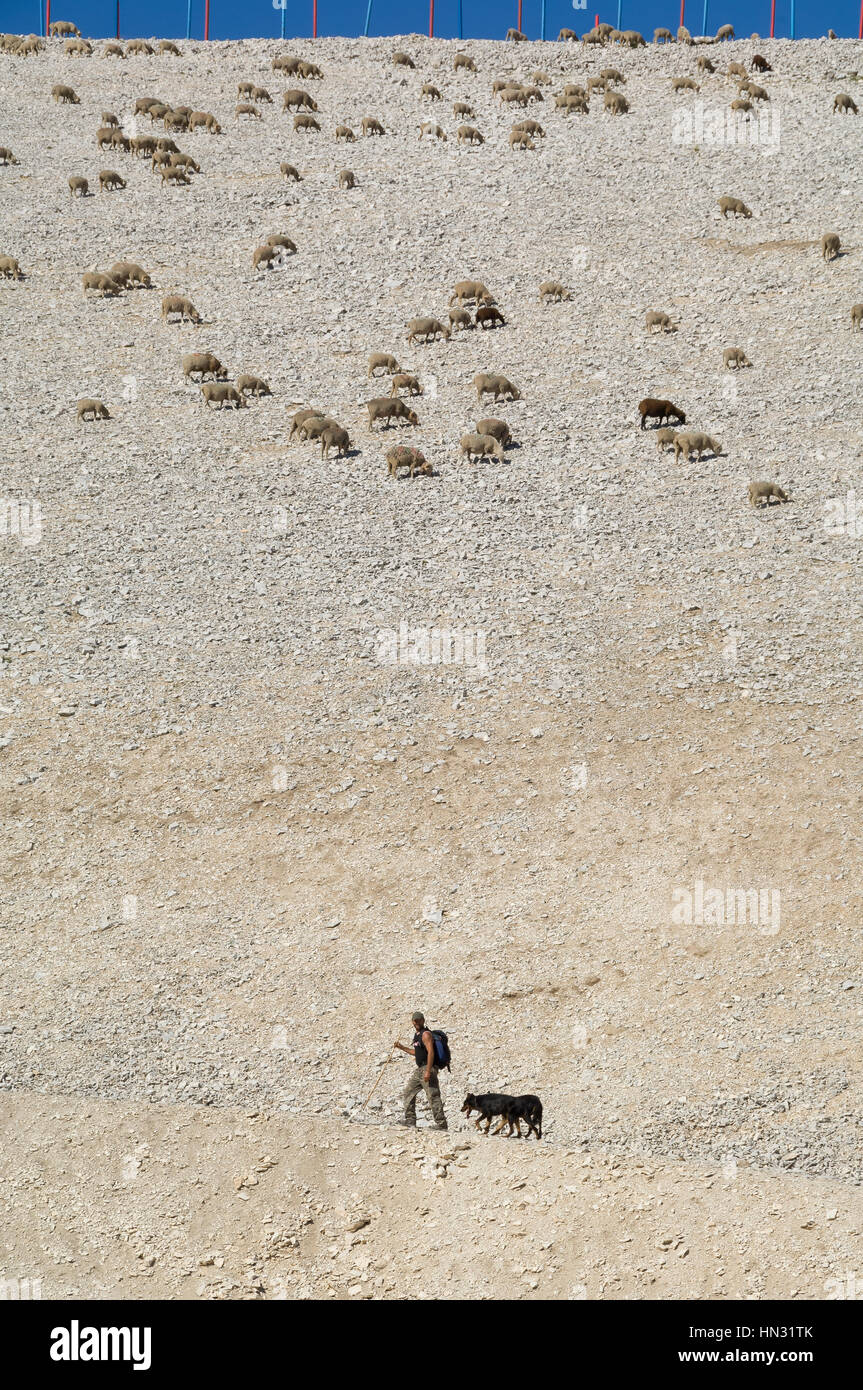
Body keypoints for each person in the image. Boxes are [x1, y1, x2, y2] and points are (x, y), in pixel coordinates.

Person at [394, 1011, 447, 1129]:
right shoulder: (417, 1035)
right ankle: (410, 1120)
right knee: (408, 1092)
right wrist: (401, 1047)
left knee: (433, 1095)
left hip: (427, 1068)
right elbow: (417, 1053)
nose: (417, 1022)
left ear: (423, 1020)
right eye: (415, 1020)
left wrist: (428, 1070)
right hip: (419, 1070)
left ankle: (441, 1124)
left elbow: (431, 1052)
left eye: (419, 1020)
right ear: (412, 1021)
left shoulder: (426, 1034)